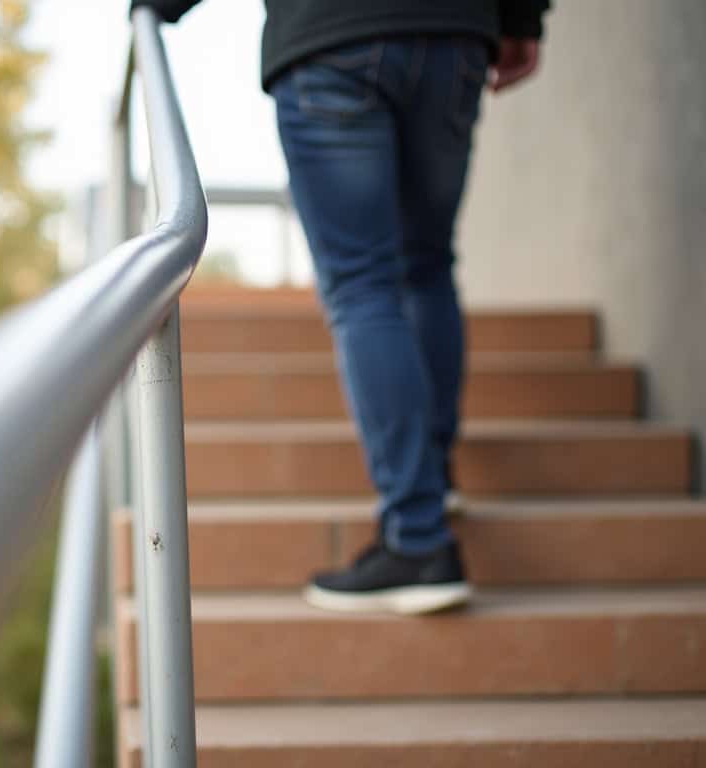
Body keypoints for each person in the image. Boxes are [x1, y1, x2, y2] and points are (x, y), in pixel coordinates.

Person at [131, 0, 551, 613]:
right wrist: (522, 17)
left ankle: (419, 538)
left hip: (331, 36)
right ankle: (431, 478)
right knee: (428, 265)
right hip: (454, 31)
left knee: (364, 285)